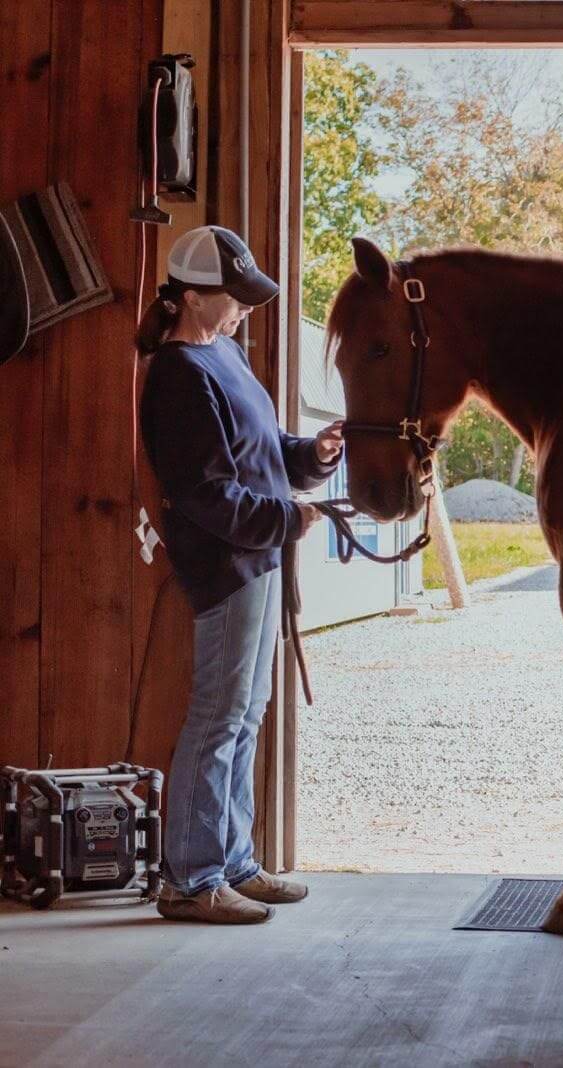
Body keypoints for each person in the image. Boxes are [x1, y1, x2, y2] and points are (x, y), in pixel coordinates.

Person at [136, 225, 342, 924]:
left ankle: (234, 863)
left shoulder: (222, 353)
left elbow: (262, 449)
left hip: (257, 557)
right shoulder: (178, 374)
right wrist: (286, 519)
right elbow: (204, 492)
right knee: (219, 716)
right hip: (226, 565)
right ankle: (191, 880)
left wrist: (311, 454)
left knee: (245, 713)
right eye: (235, 297)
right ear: (194, 297)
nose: (246, 309)